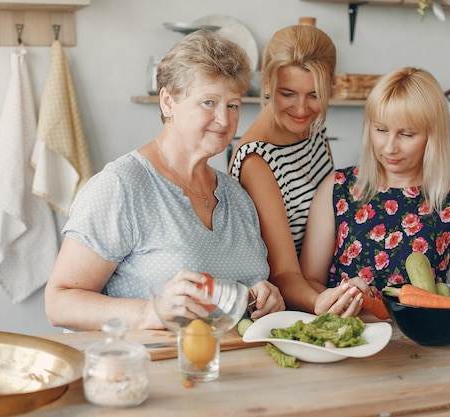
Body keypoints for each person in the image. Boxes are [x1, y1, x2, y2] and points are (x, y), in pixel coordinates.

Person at [45, 30, 285, 332]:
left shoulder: (237, 196)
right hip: (151, 371)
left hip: (238, 370)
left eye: (232, 105)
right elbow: (59, 303)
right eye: (208, 102)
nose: (224, 120)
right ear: (168, 102)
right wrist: (151, 312)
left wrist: (266, 299)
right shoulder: (122, 186)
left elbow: (239, 299)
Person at [299, 67, 450, 326]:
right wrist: (338, 296)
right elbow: (309, 280)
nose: (390, 146)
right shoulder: (337, 188)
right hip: (349, 334)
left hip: (424, 338)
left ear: (432, 134)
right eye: (380, 130)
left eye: (406, 134)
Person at [228, 24, 361, 316]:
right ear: (266, 83)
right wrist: (326, 303)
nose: (302, 109)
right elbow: (283, 275)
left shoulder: (314, 129)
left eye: (314, 95)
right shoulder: (257, 160)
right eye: (288, 93)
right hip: (296, 308)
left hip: (328, 290)